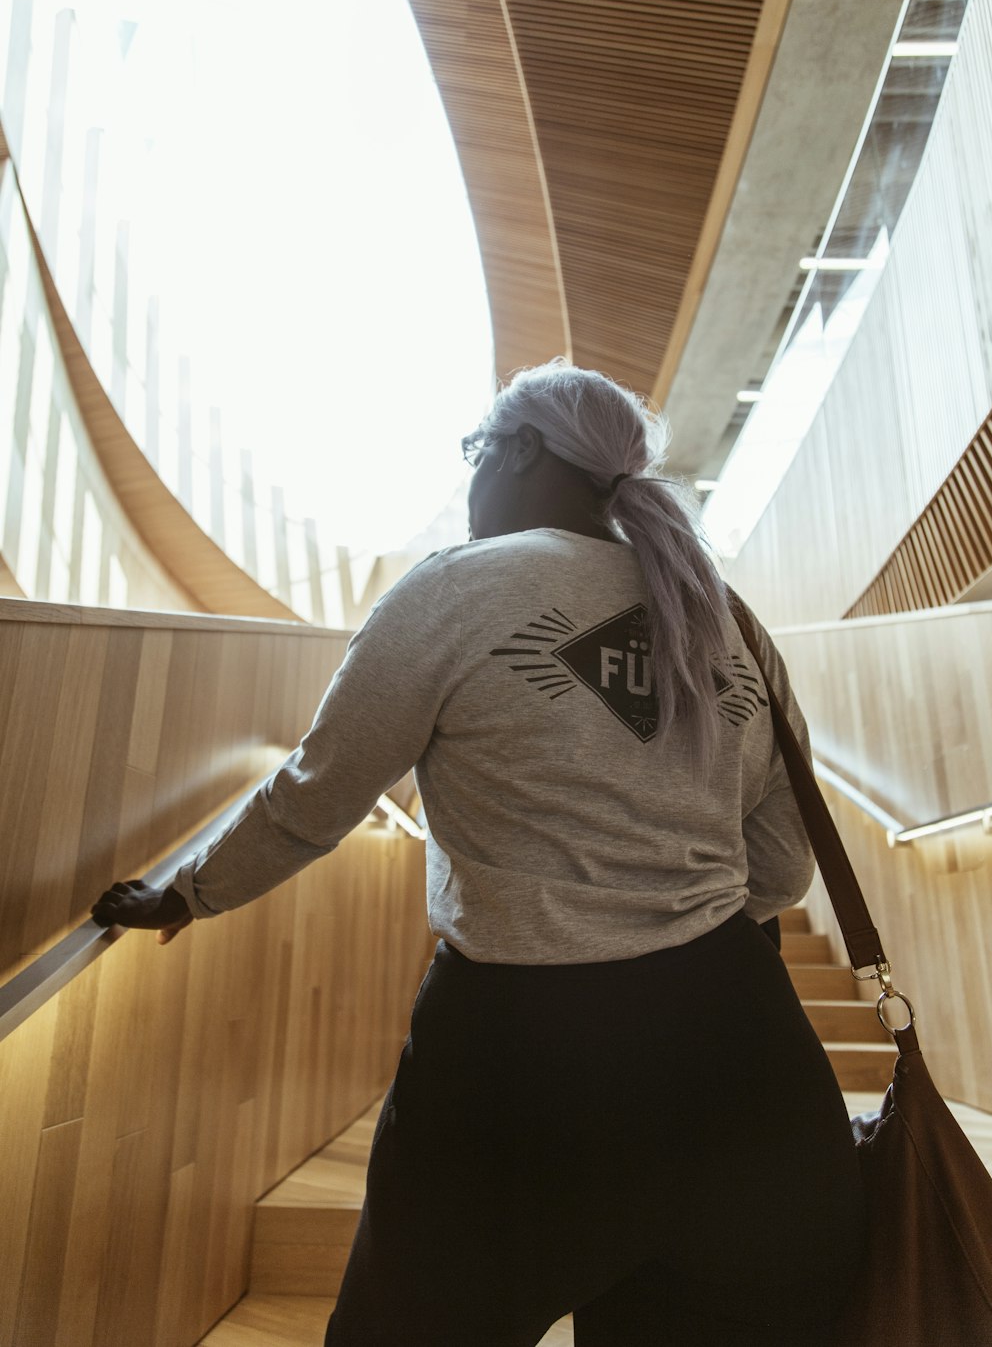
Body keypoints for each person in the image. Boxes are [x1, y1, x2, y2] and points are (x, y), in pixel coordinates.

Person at [93, 361, 864, 1346]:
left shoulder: (458, 587)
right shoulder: (721, 613)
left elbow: (317, 794)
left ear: (522, 451)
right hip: (744, 1058)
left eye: (474, 453)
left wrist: (189, 891)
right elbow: (785, 863)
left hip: (516, 1066)